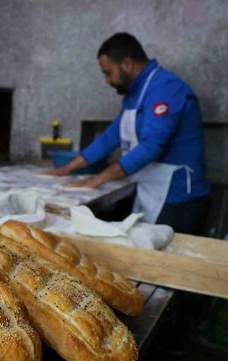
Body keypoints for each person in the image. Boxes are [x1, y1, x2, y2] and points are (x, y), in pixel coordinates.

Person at [43, 33, 210, 235]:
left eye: (108, 72)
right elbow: (112, 136)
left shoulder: (166, 89)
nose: (107, 80)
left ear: (127, 64)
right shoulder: (134, 94)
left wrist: (97, 179)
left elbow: (151, 147)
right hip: (151, 189)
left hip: (179, 197)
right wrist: (70, 167)